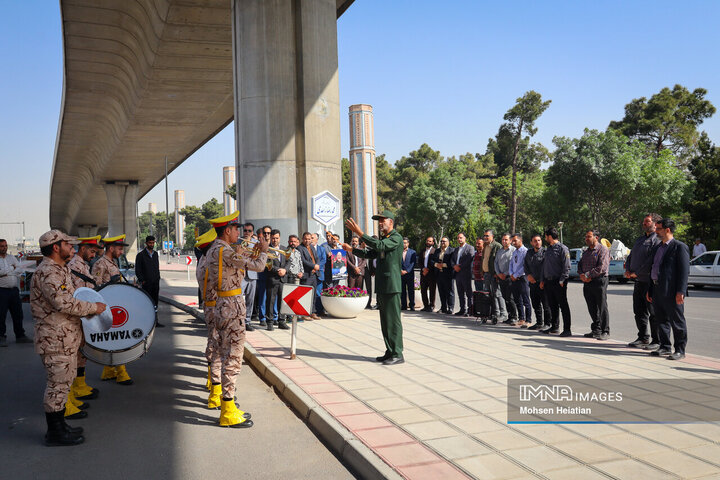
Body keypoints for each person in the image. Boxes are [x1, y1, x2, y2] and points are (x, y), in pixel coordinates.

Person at [31, 230, 106, 446]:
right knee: (57, 386)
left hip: (64, 337)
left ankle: (60, 426)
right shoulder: (48, 272)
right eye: (68, 244)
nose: (72, 247)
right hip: (54, 339)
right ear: (56, 247)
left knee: (63, 384)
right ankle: (55, 433)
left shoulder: (59, 268)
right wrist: (95, 308)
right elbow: (63, 303)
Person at [206, 211, 268, 427]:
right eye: (236, 229)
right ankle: (228, 411)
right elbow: (259, 267)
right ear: (227, 231)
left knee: (224, 354)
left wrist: (249, 251)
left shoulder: (215, 250)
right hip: (232, 307)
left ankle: (227, 405)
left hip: (223, 305)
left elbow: (236, 266)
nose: (239, 233)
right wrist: (264, 252)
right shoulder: (224, 250)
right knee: (233, 358)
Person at [344, 210, 404, 365]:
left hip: (392, 286)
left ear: (391, 221)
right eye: (379, 221)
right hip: (383, 285)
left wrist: (360, 233)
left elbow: (379, 245)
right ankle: (390, 350)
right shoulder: (386, 239)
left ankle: (398, 353)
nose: (380, 223)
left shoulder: (396, 238)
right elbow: (371, 254)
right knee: (385, 320)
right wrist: (352, 250)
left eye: (383, 220)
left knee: (393, 320)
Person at [92, 234, 134, 384]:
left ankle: (108, 371)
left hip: (115, 307)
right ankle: (121, 373)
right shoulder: (100, 264)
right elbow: (94, 288)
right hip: (107, 308)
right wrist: (110, 282)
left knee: (114, 339)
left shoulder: (112, 262)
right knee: (118, 340)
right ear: (111, 248)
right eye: (119, 248)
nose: (121, 252)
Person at [67, 236, 103, 402]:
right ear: (82, 249)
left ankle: (79, 386)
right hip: (78, 317)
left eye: (95, 252)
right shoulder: (74, 265)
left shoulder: (83, 265)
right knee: (74, 356)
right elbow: (78, 294)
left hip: (84, 317)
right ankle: (73, 391)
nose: (93, 254)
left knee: (82, 354)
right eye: (92, 251)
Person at [647, 218, 689, 360]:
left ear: (667, 230)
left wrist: (681, 291)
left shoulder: (679, 247)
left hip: (672, 291)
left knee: (677, 321)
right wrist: (650, 289)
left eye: (658, 229)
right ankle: (665, 346)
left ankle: (680, 350)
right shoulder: (658, 247)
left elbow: (684, 271)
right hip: (657, 289)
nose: (656, 231)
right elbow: (654, 268)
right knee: (661, 320)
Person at [625, 214, 662, 349]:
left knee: (653, 313)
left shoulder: (657, 240)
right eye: (644, 221)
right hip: (638, 282)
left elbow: (651, 261)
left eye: (647, 221)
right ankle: (642, 337)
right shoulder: (640, 239)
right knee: (639, 311)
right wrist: (628, 269)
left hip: (649, 282)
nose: (644, 223)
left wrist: (637, 272)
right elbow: (631, 255)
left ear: (655, 223)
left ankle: (657, 340)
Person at [195, 228, 221, 392]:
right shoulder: (210, 263)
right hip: (215, 307)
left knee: (212, 342)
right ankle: (215, 389)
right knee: (216, 345)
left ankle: (212, 381)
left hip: (210, 305)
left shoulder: (203, 260)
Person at [578, 229, 611, 340]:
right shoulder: (586, 252)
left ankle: (605, 330)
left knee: (602, 306)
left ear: (596, 238)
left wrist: (587, 275)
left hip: (599, 281)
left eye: (589, 236)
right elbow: (580, 264)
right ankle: (596, 329)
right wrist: (582, 275)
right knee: (591, 306)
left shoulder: (603, 250)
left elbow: (601, 267)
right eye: (586, 237)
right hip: (587, 282)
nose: (587, 239)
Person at [540, 227, 572, 336]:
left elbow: (567, 266)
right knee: (552, 305)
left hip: (559, 281)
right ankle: (554, 327)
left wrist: (563, 279)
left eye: (545, 236)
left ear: (549, 236)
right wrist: (543, 280)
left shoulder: (562, 248)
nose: (545, 238)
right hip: (549, 281)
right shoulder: (548, 249)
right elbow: (545, 266)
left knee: (563, 305)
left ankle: (567, 329)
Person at [0, 238, 31, 346]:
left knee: (18, 314)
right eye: (2, 246)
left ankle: (20, 336)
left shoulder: (11, 257)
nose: (4, 248)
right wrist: (11, 269)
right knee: (1, 315)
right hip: (2, 291)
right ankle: (1, 337)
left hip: (13, 290)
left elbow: (20, 270)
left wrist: (7, 272)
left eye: (5, 246)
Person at [524, 234, 551, 330]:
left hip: (543, 283)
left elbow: (546, 268)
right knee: (535, 304)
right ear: (531, 242)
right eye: (535, 241)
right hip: (532, 282)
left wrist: (543, 280)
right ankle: (539, 323)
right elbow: (526, 265)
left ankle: (548, 324)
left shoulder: (545, 252)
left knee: (546, 305)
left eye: (539, 240)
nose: (537, 242)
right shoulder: (529, 253)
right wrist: (528, 275)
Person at [135, 235, 163, 327]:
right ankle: (146, 321)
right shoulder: (140, 255)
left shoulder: (155, 254)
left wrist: (158, 277)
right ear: (146, 243)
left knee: (155, 302)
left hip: (155, 282)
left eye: (153, 243)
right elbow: (138, 270)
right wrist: (142, 280)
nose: (152, 244)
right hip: (146, 283)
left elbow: (156, 267)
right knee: (147, 302)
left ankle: (155, 320)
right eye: (150, 243)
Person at [265, 229, 289, 331]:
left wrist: (285, 270)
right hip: (272, 278)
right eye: (273, 238)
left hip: (283, 279)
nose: (275, 240)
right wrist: (278, 270)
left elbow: (289, 261)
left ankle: (281, 321)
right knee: (270, 301)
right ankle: (270, 322)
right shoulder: (267, 249)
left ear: (280, 238)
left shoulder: (284, 248)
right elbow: (267, 264)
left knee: (282, 301)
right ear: (270, 238)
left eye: (277, 238)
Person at [482, 230, 505, 324]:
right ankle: (490, 314)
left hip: (494, 274)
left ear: (492, 236)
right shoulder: (485, 246)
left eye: (487, 236)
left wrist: (497, 273)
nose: (485, 238)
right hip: (486, 274)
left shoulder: (497, 246)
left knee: (497, 294)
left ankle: (502, 314)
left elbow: (498, 261)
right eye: (484, 236)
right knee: (487, 295)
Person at [494, 233, 518, 324]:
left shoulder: (513, 250)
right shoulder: (499, 251)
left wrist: (506, 274)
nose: (504, 241)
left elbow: (514, 265)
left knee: (510, 298)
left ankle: (514, 316)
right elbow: (495, 263)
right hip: (501, 277)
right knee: (504, 297)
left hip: (509, 277)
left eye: (506, 239)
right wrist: (499, 273)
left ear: (510, 240)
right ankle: (509, 316)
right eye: (503, 239)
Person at [509, 234, 532, 327]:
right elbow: (511, 263)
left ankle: (528, 320)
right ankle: (521, 319)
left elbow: (524, 266)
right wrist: (511, 274)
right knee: (517, 299)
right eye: (513, 241)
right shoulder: (515, 252)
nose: (513, 242)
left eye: (515, 240)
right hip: (514, 278)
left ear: (520, 240)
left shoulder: (525, 251)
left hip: (522, 278)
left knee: (526, 299)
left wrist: (516, 275)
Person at [451, 232, 475, 316]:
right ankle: (462, 309)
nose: (459, 239)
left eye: (461, 237)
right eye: (458, 238)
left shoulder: (470, 248)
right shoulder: (456, 249)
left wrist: (459, 267)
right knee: (460, 293)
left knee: (468, 293)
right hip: (457, 274)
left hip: (465, 273)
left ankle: (470, 310)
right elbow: (452, 260)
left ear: (465, 238)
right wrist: (454, 266)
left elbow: (469, 259)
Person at [298, 232, 320, 320]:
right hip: (307, 274)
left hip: (314, 274)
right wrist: (313, 266)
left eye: (309, 239)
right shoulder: (300, 248)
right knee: (305, 294)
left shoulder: (311, 247)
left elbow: (316, 258)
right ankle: (304, 313)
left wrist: (316, 265)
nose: (307, 240)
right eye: (305, 239)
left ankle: (313, 312)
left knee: (313, 294)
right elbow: (303, 261)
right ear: (302, 239)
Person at [241, 223, 258, 331]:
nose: (247, 233)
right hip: (241, 274)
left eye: (249, 231)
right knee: (237, 299)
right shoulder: (238, 242)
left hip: (252, 274)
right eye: (245, 230)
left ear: (252, 232)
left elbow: (260, 258)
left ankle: (247, 321)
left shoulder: (257, 243)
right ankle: (238, 320)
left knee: (250, 300)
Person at [432, 236, 454, 314]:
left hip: (448, 274)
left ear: (448, 242)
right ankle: (443, 307)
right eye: (441, 241)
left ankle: (450, 308)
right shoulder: (437, 251)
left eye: (444, 241)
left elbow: (452, 262)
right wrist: (436, 264)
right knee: (441, 291)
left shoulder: (451, 251)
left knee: (449, 292)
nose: (442, 243)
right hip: (439, 274)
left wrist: (443, 265)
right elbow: (432, 260)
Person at [255, 225, 272, 327]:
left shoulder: (273, 245)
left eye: (268, 233)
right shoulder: (259, 244)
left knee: (272, 297)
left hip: (272, 274)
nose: (266, 235)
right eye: (265, 233)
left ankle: (272, 316)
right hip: (262, 273)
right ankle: (262, 318)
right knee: (262, 297)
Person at [311, 233, 328, 316]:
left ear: (317, 240)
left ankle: (320, 310)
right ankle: (311, 311)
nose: (311, 239)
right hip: (310, 274)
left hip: (319, 274)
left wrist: (316, 267)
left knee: (318, 293)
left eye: (312, 238)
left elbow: (323, 260)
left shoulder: (321, 249)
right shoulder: (307, 249)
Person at [418, 236, 436, 312]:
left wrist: (427, 269)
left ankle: (431, 305)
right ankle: (425, 305)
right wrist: (423, 269)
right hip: (423, 274)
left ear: (433, 243)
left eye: (430, 241)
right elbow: (419, 262)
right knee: (423, 290)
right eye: (427, 241)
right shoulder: (422, 251)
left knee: (432, 290)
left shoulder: (435, 251)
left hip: (431, 274)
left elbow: (434, 262)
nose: (428, 242)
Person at [400, 237, 417, 311]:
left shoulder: (412, 252)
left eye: (405, 242)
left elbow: (413, 263)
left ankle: (412, 305)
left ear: (408, 243)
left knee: (411, 290)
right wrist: (400, 270)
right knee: (402, 291)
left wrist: (407, 271)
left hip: (409, 274)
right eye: (403, 242)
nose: (404, 244)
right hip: (401, 274)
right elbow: (396, 262)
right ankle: (404, 305)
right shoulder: (398, 252)